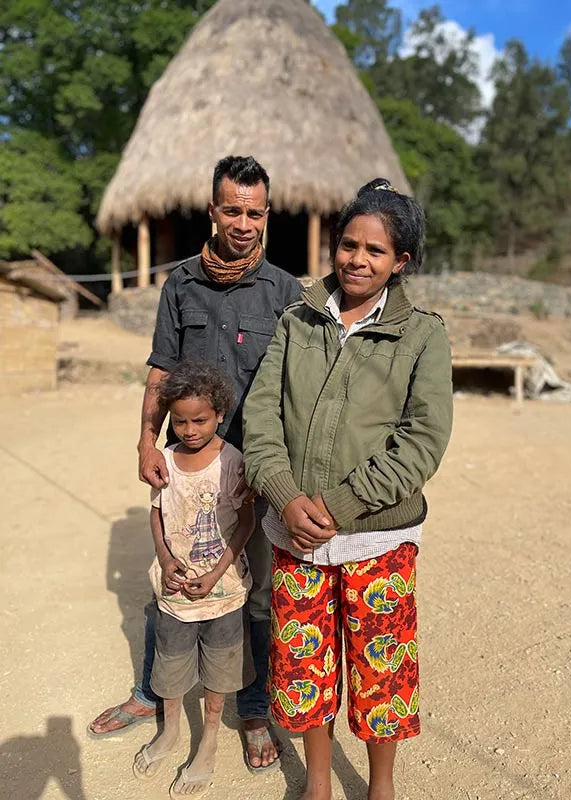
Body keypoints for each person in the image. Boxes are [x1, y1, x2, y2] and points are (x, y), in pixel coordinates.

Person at [89, 155, 302, 772]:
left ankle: (255, 707)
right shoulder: (180, 283)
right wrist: (145, 441)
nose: (243, 221)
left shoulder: (286, 291)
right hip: (185, 467)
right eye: (231, 209)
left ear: (267, 213)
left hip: (254, 468)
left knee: (255, 594)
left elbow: (297, 384)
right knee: (172, 583)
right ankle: (154, 694)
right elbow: (161, 368)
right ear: (212, 210)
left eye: (254, 211)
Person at [242, 179, 453, 800]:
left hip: (378, 537)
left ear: (401, 262)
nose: (357, 260)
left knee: (381, 670)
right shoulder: (297, 319)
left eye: (376, 252)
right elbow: (262, 416)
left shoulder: (422, 336)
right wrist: (283, 493)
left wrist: (335, 505)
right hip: (295, 533)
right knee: (306, 666)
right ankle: (317, 784)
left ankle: (381, 785)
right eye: (348, 245)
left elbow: (422, 442)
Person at [132, 360, 255, 796]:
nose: (189, 429)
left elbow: (245, 523)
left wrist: (219, 570)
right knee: (170, 665)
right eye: (180, 421)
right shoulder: (163, 461)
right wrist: (165, 560)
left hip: (223, 592)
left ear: (220, 413)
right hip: (175, 592)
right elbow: (156, 516)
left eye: (199, 420)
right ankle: (170, 732)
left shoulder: (233, 462)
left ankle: (209, 741)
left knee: (220, 671)